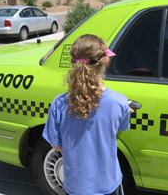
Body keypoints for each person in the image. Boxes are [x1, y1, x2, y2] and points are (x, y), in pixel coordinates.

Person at [42, 34, 133, 195]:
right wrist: (125, 109)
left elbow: (55, 145)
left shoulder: (59, 103)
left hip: (75, 187)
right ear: (105, 61)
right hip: (108, 184)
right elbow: (119, 127)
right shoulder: (119, 102)